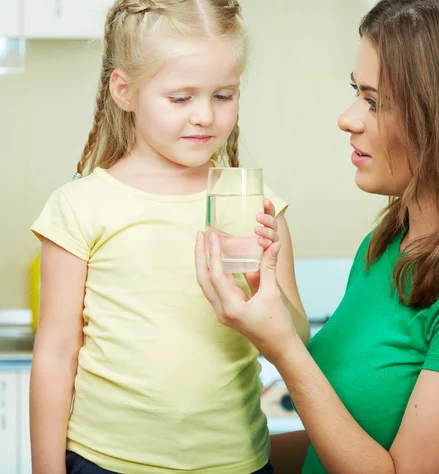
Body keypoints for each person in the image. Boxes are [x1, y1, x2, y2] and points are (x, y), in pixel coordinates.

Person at [195, 0, 439, 472]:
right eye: (356, 93)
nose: (348, 118)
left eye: (374, 102)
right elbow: (335, 446)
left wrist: (284, 348)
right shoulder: (390, 244)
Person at [29, 1, 309, 473]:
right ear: (125, 91)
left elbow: (296, 338)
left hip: (235, 462)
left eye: (223, 95)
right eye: (181, 98)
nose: (205, 116)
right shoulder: (79, 206)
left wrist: (266, 289)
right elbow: (56, 353)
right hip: (105, 462)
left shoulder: (257, 208)